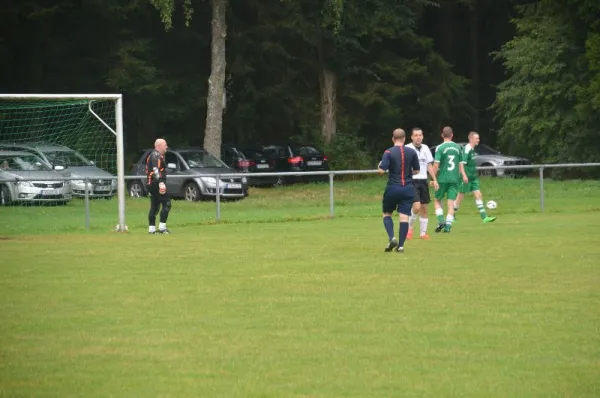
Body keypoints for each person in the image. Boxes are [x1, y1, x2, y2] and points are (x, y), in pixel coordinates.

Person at [377, 128, 420, 253]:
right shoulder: (412, 152)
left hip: (393, 187)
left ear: (393, 139)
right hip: (407, 188)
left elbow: (381, 170)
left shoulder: (388, 152)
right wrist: (407, 173)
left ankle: (392, 238)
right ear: (405, 139)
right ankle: (400, 246)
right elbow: (417, 171)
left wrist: (379, 166)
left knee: (387, 213)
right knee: (404, 216)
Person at [454, 131, 497, 224]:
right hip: (465, 177)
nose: (478, 140)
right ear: (471, 139)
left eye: (478, 138)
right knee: (460, 197)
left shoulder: (473, 150)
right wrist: (464, 175)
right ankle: (452, 215)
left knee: (478, 195)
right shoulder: (467, 149)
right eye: (476, 138)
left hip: (473, 178)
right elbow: (461, 163)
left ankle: (484, 217)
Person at [431, 126, 468, 233]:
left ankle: (440, 219)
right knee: (451, 202)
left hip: (442, 178)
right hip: (454, 179)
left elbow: (436, 165)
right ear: (452, 135)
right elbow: (460, 164)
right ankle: (448, 226)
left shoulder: (440, 148)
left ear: (442, 135)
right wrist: (464, 176)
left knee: (437, 200)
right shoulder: (458, 147)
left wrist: (433, 178)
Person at [405, 127, 437, 240]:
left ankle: (423, 233)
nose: (418, 137)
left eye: (420, 135)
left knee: (424, 208)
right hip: (411, 180)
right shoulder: (407, 148)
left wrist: (434, 179)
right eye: (416, 135)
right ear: (412, 137)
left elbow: (429, 165)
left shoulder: (425, 148)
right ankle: (409, 229)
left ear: (422, 136)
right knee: (416, 207)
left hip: (423, 180)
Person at [146, 138, 171, 234]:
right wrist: (161, 182)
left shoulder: (155, 155)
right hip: (156, 183)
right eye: (165, 145)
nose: (166, 147)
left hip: (151, 183)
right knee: (167, 203)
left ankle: (151, 229)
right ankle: (162, 228)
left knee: (155, 206)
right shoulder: (155, 155)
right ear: (158, 146)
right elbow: (156, 169)